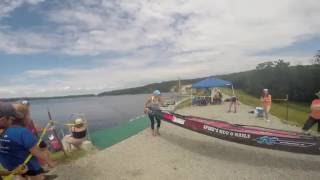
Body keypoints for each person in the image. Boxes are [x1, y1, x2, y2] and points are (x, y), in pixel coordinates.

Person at [0, 102, 54, 180]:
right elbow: (36, 151)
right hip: (29, 165)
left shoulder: (4, 131)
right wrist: (49, 161)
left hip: (10, 166)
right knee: (38, 177)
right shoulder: (22, 132)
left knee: (20, 177)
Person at [12, 101, 55, 169]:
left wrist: (48, 129)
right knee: (37, 154)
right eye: (25, 106)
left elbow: (35, 128)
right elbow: (35, 129)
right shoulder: (22, 125)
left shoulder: (28, 120)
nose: (27, 108)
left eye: (27, 106)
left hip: (35, 139)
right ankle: (47, 164)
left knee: (44, 150)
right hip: (31, 141)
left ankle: (46, 164)